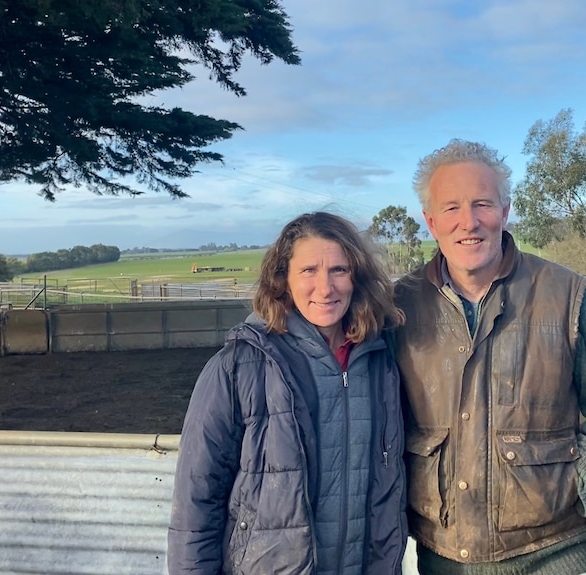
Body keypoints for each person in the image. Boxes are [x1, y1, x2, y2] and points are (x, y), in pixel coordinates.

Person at [393, 139, 586, 575]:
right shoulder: (399, 306)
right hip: (443, 559)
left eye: (482, 204)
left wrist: (578, 484)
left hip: (557, 554)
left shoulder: (565, 295)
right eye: (451, 208)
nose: (468, 222)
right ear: (431, 222)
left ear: (505, 210)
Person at [168, 212, 408, 574]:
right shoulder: (239, 366)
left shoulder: (381, 362)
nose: (325, 288)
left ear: (357, 277)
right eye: (309, 270)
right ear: (283, 280)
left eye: (339, 270)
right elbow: (196, 499)